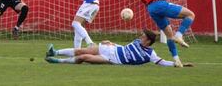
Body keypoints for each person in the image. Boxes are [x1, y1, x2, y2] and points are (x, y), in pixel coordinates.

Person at [45, 29, 193, 68]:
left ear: (148, 41)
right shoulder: (136, 41)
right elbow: (125, 48)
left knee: (84, 58)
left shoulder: (150, 54)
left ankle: (57, 61)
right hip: (110, 49)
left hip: (111, 59)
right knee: (81, 50)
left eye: (143, 36)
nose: (140, 36)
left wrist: (177, 63)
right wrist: (111, 42)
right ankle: (55, 51)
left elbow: (162, 62)